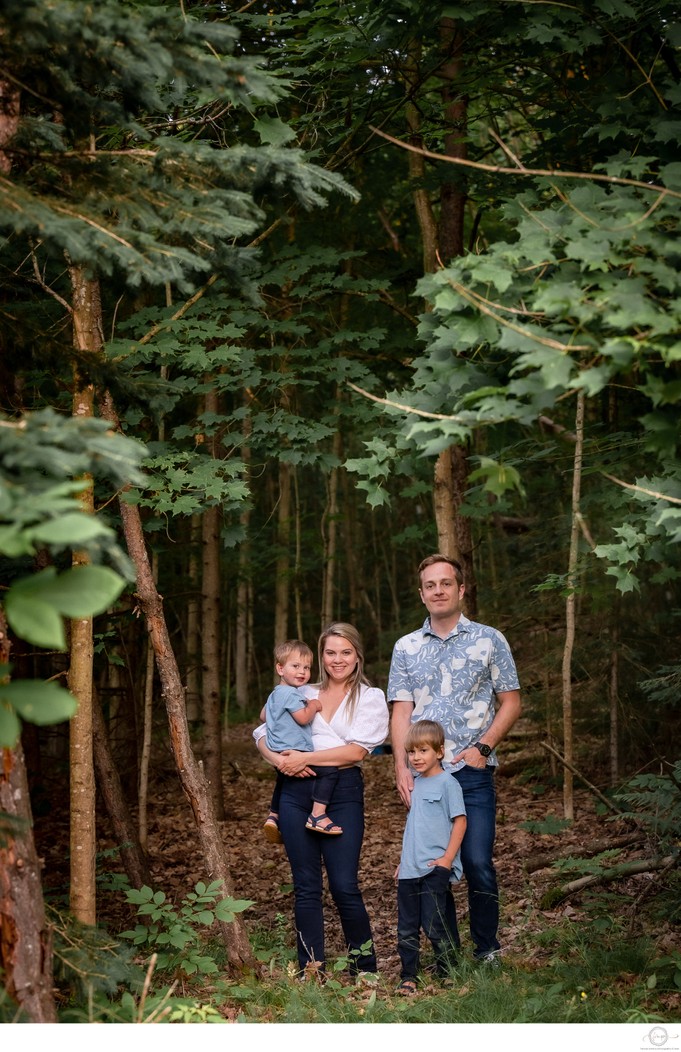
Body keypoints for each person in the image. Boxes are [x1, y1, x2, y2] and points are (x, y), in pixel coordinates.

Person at [388, 554, 522, 965]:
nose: (439, 590)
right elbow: (401, 712)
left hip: (472, 773)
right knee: (434, 865)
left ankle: (487, 950)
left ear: (461, 590)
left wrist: (483, 748)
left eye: (447, 583)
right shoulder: (406, 647)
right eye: (431, 585)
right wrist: (400, 767)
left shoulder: (489, 639)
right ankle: (447, 957)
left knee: (478, 861)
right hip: (427, 778)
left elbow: (511, 701)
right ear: (422, 594)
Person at [254, 622, 389, 977]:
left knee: (345, 885)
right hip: (295, 791)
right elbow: (261, 731)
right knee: (306, 887)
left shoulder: (370, 697)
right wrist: (280, 760)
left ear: (357, 655)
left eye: (345, 652)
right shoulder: (301, 687)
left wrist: (304, 758)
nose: (337, 659)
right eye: (330, 652)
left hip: (341, 793)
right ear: (321, 655)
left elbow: (357, 752)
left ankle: (365, 969)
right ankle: (311, 970)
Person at [395, 719, 467, 996]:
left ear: (439, 751)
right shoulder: (413, 784)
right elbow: (415, 826)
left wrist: (447, 860)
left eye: (423, 751)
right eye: (411, 752)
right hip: (409, 870)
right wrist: (404, 861)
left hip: (435, 868)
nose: (416, 758)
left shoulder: (448, 783)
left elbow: (460, 822)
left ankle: (447, 970)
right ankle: (408, 976)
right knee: (406, 928)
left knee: (435, 923)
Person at [261, 639, 343, 842]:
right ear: (280, 668)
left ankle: (273, 815)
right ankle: (318, 814)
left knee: (282, 780)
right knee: (329, 772)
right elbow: (303, 718)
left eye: (306, 667)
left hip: (278, 750)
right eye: (295, 666)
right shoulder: (292, 694)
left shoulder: (275, 693)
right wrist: (313, 706)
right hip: (295, 750)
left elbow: (263, 716)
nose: (302, 672)